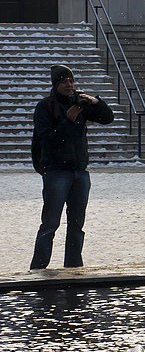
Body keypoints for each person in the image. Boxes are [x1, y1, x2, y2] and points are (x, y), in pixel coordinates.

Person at [30, 64, 114, 269]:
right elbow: (47, 140)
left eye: (71, 81)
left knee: (77, 225)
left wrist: (96, 102)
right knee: (50, 224)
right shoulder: (45, 107)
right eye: (64, 81)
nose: (69, 85)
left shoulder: (79, 104)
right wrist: (68, 121)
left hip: (79, 172)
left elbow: (107, 118)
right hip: (57, 172)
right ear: (56, 84)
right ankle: (38, 269)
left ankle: (74, 268)